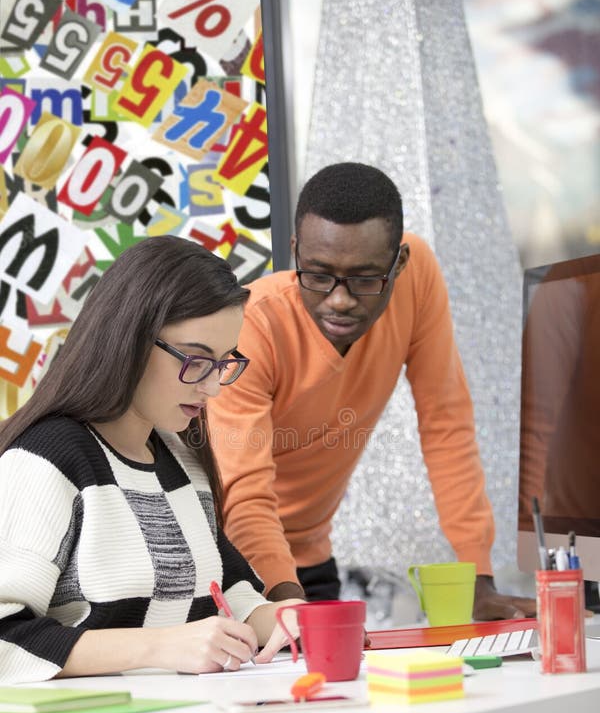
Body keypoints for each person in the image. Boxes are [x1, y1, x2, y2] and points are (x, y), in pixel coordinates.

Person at [208, 162, 536, 620]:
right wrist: (286, 609)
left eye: (365, 279)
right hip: (229, 568)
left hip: (309, 560)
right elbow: (245, 495)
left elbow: (446, 423)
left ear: (398, 263)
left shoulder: (416, 279)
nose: (338, 300)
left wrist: (478, 579)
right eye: (318, 275)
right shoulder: (252, 329)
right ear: (295, 252)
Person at [0, 235, 303, 683]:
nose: (213, 388)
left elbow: (229, 592)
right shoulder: (48, 457)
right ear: (132, 339)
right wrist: (162, 646)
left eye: (223, 363)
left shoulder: (181, 457)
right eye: (196, 360)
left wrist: (284, 619)